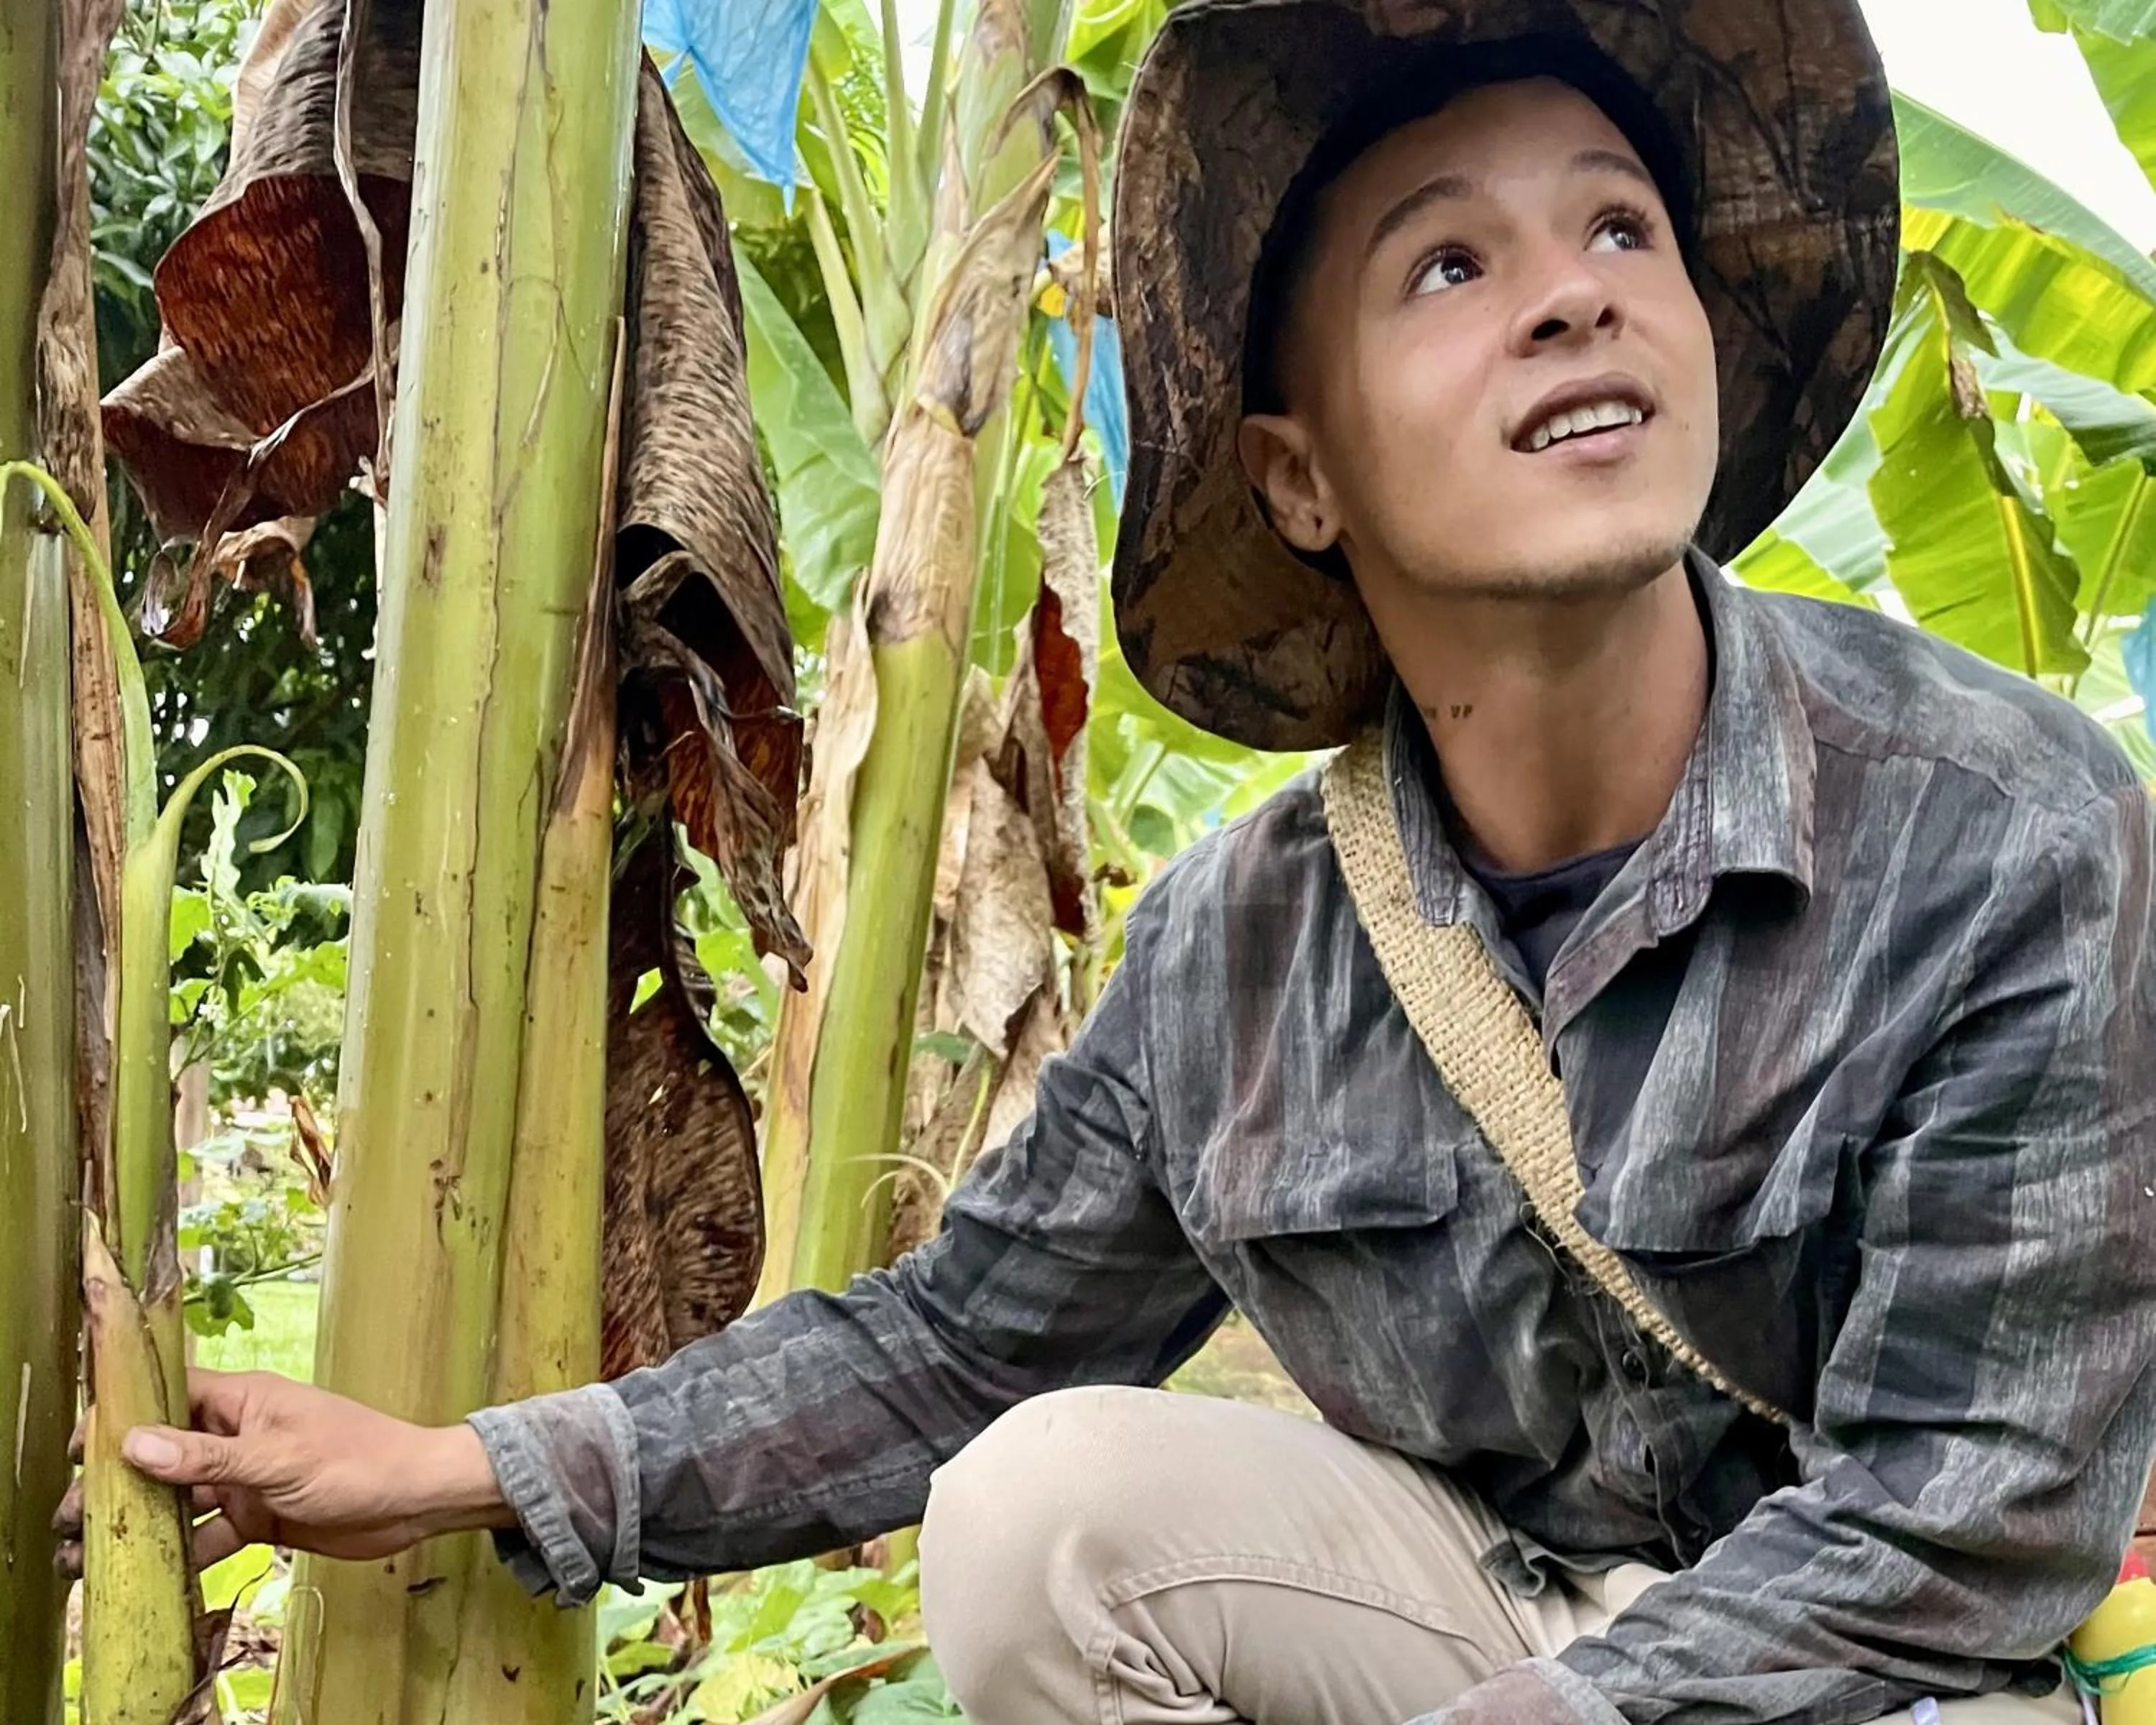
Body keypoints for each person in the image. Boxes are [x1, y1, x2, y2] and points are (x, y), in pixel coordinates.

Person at [59, 1, 2156, 1721]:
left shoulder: (2005, 836)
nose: (1575, 299)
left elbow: (1957, 1522)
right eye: (1451, 264)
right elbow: (954, 1348)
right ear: (1300, 479)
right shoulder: (1250, 943)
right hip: (1490, 1608)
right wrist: (455, 1468)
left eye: (1624, 228)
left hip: (1877, 1668)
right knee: (1039, 1511)